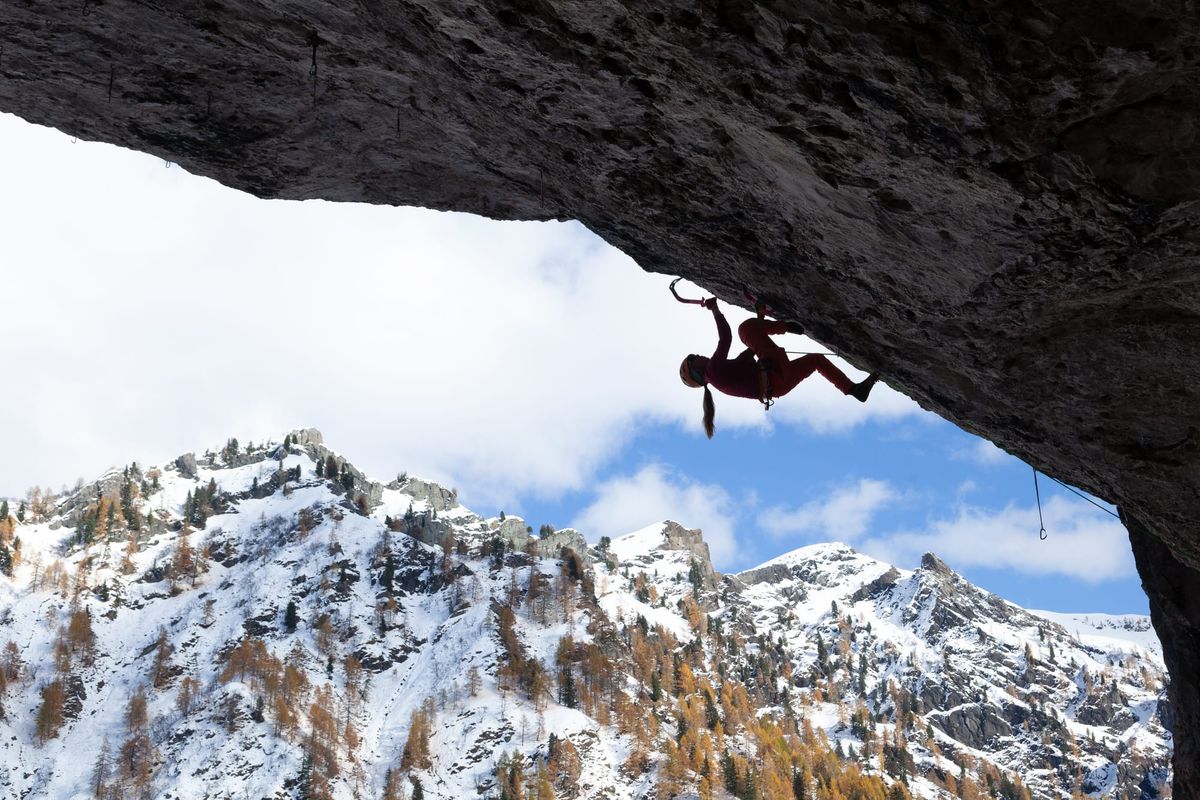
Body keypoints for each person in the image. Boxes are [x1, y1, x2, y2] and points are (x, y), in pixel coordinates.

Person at [679, 298, 878, 438]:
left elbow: (750, 353)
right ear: (696, 372)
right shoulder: (713, 371)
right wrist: (714, 309)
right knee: (744, 330)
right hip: (773, 372)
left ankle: (854, 390)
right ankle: (786, 327)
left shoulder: (721, 378)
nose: (698, 355)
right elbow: (726, 337)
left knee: (816, 360)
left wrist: (760, 317)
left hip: (779, 385)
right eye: (693, 358)